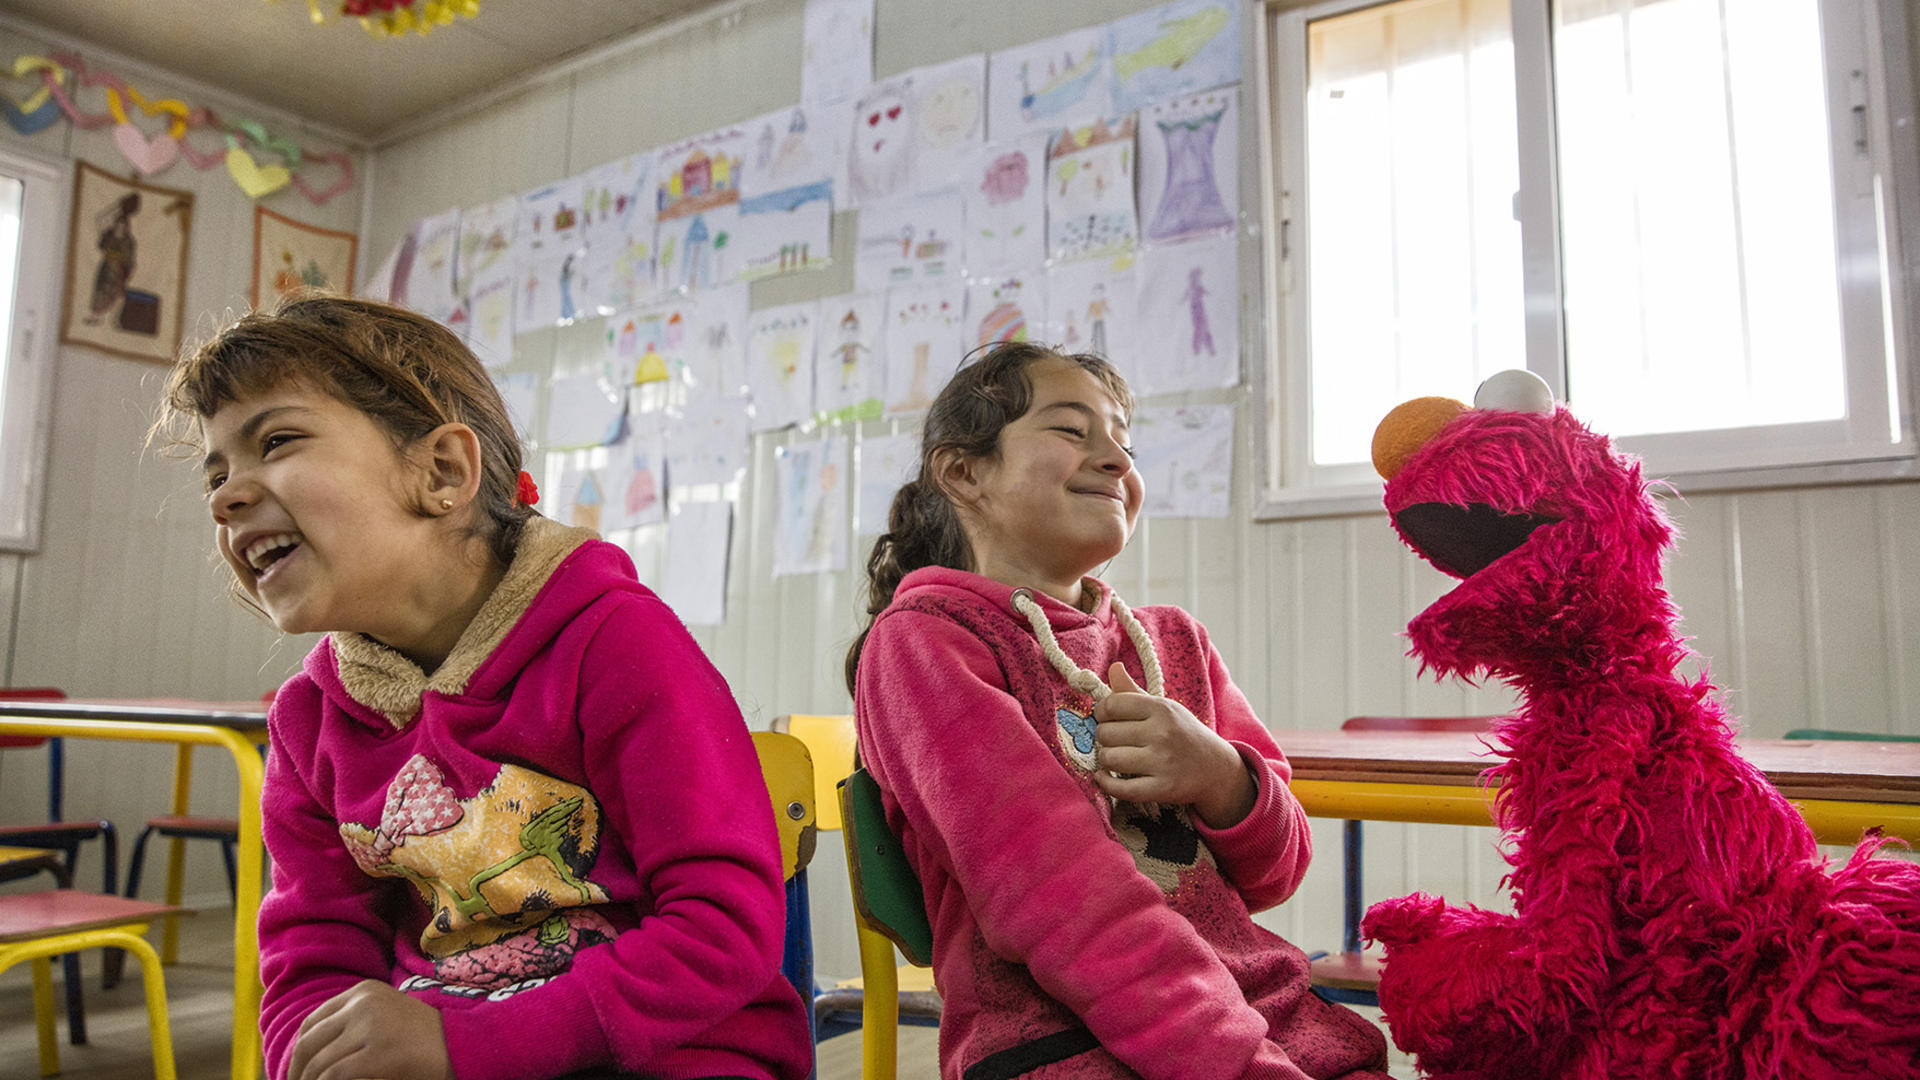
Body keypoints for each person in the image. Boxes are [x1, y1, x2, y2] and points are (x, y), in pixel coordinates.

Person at [158, 295, 812, 1080]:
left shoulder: (615, 645)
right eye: (218, 473)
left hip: (675, 1054)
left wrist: (464, 1047)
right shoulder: (310, 721)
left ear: (443, 472)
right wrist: (319, 1059)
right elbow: (313, 959)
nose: (226, 497)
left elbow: (721, 930)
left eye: (277, 441)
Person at [845, 342, 1390, 1080]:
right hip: (1060, 1042)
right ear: (963, 472)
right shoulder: (926, 643)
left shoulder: (1175, 643)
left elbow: (1278, 872)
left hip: (1265, 1016)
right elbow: (1060, 899)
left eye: (1125, 444)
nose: (1116, 461)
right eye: (1072, 431)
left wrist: (1222, 775)